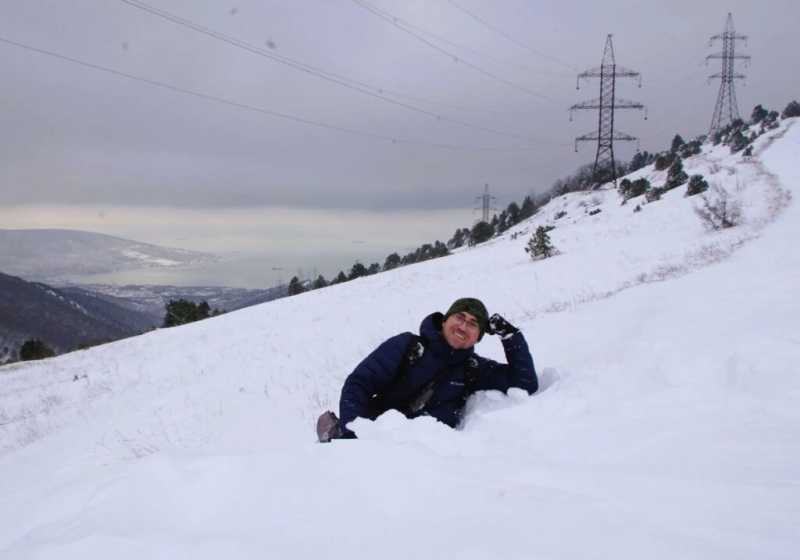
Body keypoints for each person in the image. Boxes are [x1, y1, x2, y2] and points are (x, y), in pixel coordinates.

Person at [317, 297, 537, 441]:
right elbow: (359, 383)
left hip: (427, 468)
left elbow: (525, 383)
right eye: (459, 317)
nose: (463, 326)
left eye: (472, 324)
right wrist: (352, 431)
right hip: (376, 447)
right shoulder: (407, 346)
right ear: (444, 321)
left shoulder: (474, 369)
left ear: (478, 337)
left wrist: (510, 336)